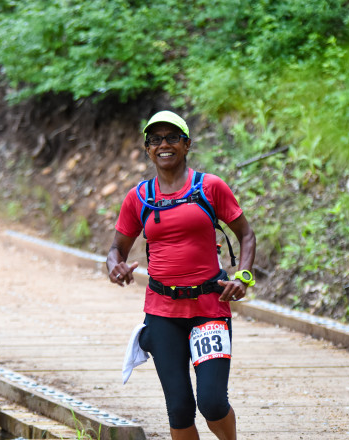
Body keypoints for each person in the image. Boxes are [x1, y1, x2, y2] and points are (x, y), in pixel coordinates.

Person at [106, 110, 256, 440]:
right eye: (155, 139)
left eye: (172, 137)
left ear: (186, 145)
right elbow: (115, 250)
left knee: (213, 403)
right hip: (162, 313)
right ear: (147, 149)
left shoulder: (210, 188)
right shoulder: (139, 198)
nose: (164, 144)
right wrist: (114, 267)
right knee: (179, 409)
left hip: (209, 309)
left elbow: (246, 234)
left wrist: (243, 276)